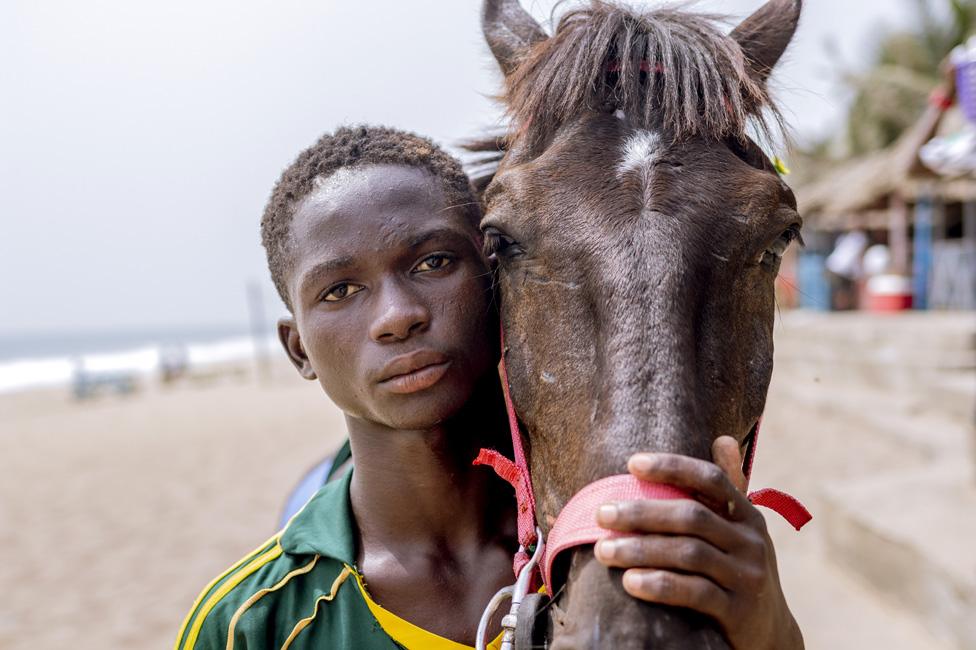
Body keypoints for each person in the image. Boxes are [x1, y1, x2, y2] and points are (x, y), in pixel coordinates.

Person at [175, 126, 802, 650]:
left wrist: (773, 632)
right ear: (298, 349)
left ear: (500, 279)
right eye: (340, 291)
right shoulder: (248, 625)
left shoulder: (625, 541)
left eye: (434, 263)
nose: (397, 316)